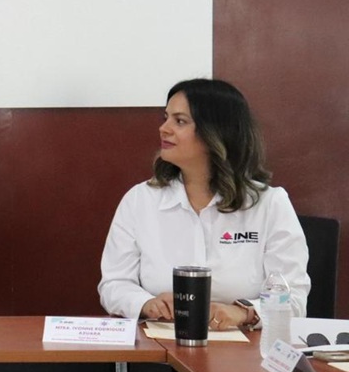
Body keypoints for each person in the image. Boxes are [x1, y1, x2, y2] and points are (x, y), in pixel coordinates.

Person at [98, 79, 310, 329]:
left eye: (180, 121)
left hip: (245, 352)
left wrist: (243, 313)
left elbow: (293, 298)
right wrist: (146, 303)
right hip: (160, 350)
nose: (163, 129)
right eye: (165, 118)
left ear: (216, 132)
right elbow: (113, 284)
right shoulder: (140, 200)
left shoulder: (269, 204)